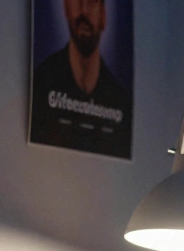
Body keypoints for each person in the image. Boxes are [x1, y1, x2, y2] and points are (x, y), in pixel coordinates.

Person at [30, 0, 132, 157]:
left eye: (91, 2)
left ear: (103, 17)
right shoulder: (40, 84)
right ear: (66, 8)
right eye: (77, 0)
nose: (83, 11)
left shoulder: (120, 100)